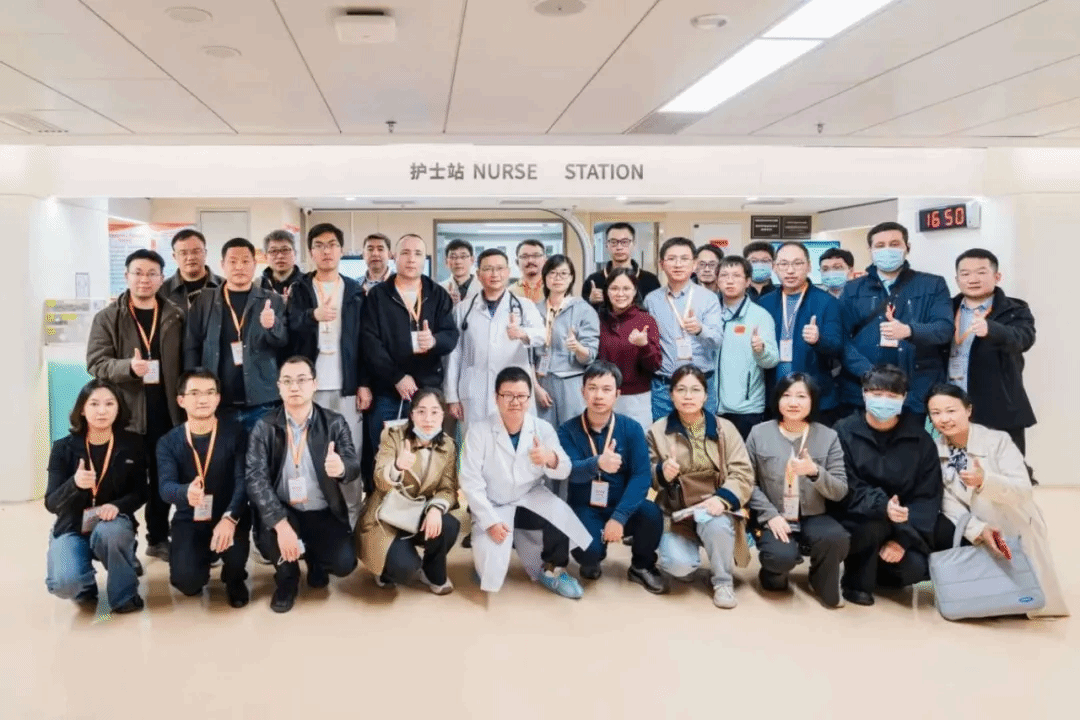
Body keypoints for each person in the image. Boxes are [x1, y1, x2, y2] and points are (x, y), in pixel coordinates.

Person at [926, 384, 1068, 617]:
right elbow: (948, 502)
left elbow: (1023, 490)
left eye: (951, 411)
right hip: (978, 527)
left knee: (1033, 594)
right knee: (993, 595)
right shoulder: (934, 451)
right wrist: (978, 529)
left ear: (968, 410)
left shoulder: (997, 441)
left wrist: (985, 481)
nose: (944, 419)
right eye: (936, 413)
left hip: (1013, 521)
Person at [458, 366, 592, 598]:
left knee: (560, 515)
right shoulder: (478, 431)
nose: (515, 402)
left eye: (521, 396)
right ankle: (493, 552)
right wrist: (490, 522)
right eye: (507, 395)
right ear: (496, 398)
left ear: (529, 399)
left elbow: (565, 468)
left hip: (529, 497)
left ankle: (554, 569)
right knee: (490, 570)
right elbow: (470, 482)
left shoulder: (542, 429)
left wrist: (550, 458)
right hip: (494, 503)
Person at [87, 248, 184, 563]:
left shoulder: (175, 315)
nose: (144, 279)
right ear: (126, 276)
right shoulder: (108, 317)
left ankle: (158, 538)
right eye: (138, 272)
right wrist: (128, 367)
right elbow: (95, 362)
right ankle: (124, 545)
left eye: (152, 273)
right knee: (124, 482)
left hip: (166, 413)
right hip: (126, 415)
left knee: (162, 479)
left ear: (161, 278)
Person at [246, 357, 362, 613]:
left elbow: (353, 464)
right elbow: (255, 479)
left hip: (322, 511)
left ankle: (315, 560)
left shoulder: (334, 422)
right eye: (287, 381)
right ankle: (287, 580)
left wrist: (341, 468)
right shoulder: (264, 427)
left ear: (314, 384)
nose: (294, 387)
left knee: (344, 563)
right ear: (279, 387)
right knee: (276, 541)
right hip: (283, 510)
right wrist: (280, 523)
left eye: (301, 380)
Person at [832, 365, 942, 606]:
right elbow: (845, 483)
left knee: (914, 570)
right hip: (858, 517)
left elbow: (927, 495)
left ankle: (877, 566)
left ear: (904, 398)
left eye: (892, 395)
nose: (884, 400)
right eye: (877, 393)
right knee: (873, 526)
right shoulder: (843, 431)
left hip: (903, 524)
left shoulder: (920, 440)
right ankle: (856, 583)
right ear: (864, 394)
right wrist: (882, 506)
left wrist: (902, 540)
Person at [646, 366, 755, 609]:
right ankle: (690, 558)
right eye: (681, 390)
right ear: (671, 394)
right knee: (679, 567)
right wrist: (662, 473)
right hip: (677, 511)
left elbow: (743, 473)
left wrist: (721, 500)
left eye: (695, 390)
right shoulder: (657, 431)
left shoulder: (725, 429)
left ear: (706, 396)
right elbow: (646, 476)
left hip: (713, 507)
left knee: (717, 525)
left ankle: (723, 581)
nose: (688, 396)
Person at [556, 362, 669, 593]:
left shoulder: (632, 429)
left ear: (617, 394)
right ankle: (593, 559)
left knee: (651, 514)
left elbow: (641, 477)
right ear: (583, 391)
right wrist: (597, 463)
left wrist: (619, 517)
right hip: (585, 506)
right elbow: (569, 471)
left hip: (621, 503)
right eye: (592, 388)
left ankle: (641, 566)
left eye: (606, 389)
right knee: (588, 552)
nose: (598, 395)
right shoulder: (567, 430)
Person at [361, 234, 458, 490]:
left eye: (417, 253)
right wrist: (396, 377)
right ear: (394, 257)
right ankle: (381, 511)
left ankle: (426, 510)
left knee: (427, 460)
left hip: (427, 393)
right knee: (385, 457)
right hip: (387, 391)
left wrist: (434, 341)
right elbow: (370, 343)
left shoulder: (437, 294)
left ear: (424, 258)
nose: (411, 259)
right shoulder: (378, 296)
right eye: (405, 253)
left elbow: (451, 336)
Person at [745, 374, 849, 608]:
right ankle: (772, 576)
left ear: (813, 401)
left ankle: (820, 579)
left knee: (836, 538)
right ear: (777, 400)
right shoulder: (759, 433)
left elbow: (840, 489)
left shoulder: (828, 436)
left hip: (814, 514)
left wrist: (815, 472)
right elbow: (746, 482)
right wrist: (770, 515)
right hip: (775, 515)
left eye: (801, 396)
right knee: (779, 558)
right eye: (787, 395)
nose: (793, 402)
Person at [45, 380, 146, 613]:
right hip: (71, 525)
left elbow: (141, 492)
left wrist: (117, 506)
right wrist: (74, 484)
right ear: (82, 409)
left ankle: (125, 595)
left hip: (112, 522)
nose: (102, 411)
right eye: (94, 404)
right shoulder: (63, 448)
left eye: (109, 404)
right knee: (64, 583)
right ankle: (84, 586)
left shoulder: (133, 444)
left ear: (118, 408)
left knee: (112, 533)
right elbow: (51, 503)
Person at [286, 223, 366, 513]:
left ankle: (353, 514)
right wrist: (312, 315)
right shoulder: (300, 288)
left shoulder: (355, 290)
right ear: (311, 252)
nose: (326, 251)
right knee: (310, 451)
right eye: (319, 246)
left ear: (341, 250)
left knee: (350, 451)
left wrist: (364, 383)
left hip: (347, 385)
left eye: (332, 245)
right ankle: (316, 514)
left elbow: (364, 340)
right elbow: (289, 327)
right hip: (310, 387)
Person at [839, 221, 952, 420]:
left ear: (907, 247)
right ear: (870, 250)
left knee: (914, 440)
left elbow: (944, 329)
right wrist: (868, 373)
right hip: (864, 392)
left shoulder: (933, 285)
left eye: (894, 244)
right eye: (880, 245)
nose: (887, 250)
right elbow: (841, 338)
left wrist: (910, 331)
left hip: (916, 392)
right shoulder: (852, 289)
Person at [157, 369, 250, 608]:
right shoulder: (168, 442)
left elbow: (243, 481)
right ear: (181, 400)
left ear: (218, 398)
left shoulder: (236, 433)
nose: (203, 399)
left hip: (229, 515)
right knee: (187, 584)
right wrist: (184, 493)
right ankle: (203, 557)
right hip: (190, 516)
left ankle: (234, 576)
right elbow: (165, 487)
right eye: (195, 393)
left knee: (235, 560)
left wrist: (230, 517)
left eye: (210, 393)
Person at [184, 237, 289, 432]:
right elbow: (192, 346)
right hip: (217, 401)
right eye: (233, 261)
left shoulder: (271, 300)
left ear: (255, 264)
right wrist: (193, 390)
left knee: (263, 451)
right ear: (222, 265)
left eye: (245, 261)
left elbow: (283, 342)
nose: (239, 267)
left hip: (262, 402)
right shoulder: (205, 301)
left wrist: (272, 326)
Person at [362, 388, 460, 594]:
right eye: (421, 411)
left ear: (443, 415)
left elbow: (448, 488)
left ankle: (431, 573)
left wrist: (435, 509)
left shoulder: (448, 445)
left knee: (449, 525)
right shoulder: (393, 435)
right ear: (412, 414)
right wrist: (397, 466)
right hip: (387, 515)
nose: (428, 419)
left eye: (435, 412)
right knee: (404, 569)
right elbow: (379, 480)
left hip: (418, 512)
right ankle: (385, 568)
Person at [948, 248, 1036, 458]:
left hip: (998, 406)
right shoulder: (946, 309)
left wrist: (992, 329)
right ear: (957, 279)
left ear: (997, 276)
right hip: (949, 406)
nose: (973, 279)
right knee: (949, 465)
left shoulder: (1015, 309)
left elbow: (1024, 339)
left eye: (981, 272)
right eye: (965, 274)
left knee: (1005, 467)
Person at [446, 248, 545, 427]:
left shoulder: (525, 306)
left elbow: (542, 335)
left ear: (508, 272)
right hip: (475, 393)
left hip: (513, 391)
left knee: (515, 440)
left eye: (500, 268)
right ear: (478, 274)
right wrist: (452, 396)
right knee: (475, 441)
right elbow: (454, 354)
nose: (494, 274)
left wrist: (523, 333)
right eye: (488, 269)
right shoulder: (463, 309)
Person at [758, 242, 844, 424]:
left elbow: (837, 347)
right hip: (775, 395)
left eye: (797, 263)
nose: (790, 270)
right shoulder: (764, 303)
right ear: (774, 267)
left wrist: (818, 340)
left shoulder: (826, 302)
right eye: (783, 264)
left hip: (815, 396)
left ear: (809, 266)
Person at [644, 237, 723, 420]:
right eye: (671, 259)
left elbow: (717, 340)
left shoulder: (708, 298)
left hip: (700, 384)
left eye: (684, 259)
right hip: (664, 386)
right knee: (663, 434)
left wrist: (700, 329)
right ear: (661, 264)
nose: (678, 264)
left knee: (702, 435)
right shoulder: (652, 300)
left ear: (694, 264)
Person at [714, 256, 779, 439]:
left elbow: (772, 360)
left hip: (746, 408)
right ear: (717, 280)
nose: (729, 281)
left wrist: (761, 350)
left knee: (744, 456)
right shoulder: (709, 312)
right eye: (724, 275)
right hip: (709, 405)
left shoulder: (760, 316)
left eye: (736, 276)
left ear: (748, 281)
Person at [533, 255, 599, 431]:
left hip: (572, 382)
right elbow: (527, 355)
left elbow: (590, 355)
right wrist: (535, 387)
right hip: (541, 381)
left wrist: (578, 348)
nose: (558, 278)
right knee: (542, 434)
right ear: (545, 277)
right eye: (553, 273)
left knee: (573, 433)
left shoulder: (584, 310)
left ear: (571, 278)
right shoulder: (534, 310)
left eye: (563, 273)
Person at [596, 268, 661, 431]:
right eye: (614, 288)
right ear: (607, 291)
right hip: (603, 395)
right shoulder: (598, 319)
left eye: (626, 288)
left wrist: (644, 345)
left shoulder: (646, 320)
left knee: (636, 443)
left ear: (635, 291)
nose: (620, 294)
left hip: (636, 398)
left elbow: (655, 365)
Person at [583, 222, 661, 309]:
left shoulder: (651, 280)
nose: (619, 247)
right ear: (606, 245)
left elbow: (656, 311)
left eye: (625, 242)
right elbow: (581, 313)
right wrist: (590, 301)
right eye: (613, 242)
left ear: (634, 244)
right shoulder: (594, 280)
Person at [163, 229, 223, 311]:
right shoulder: (162, 291)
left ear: (205, 253)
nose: (190, 257)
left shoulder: (224, 286)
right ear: (174, 256)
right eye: (183, 253)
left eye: (196, 252)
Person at [260, 229, 303, 299]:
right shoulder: (257, 287)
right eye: (273, 251)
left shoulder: (309, 284)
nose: (280, 256)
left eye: (285, 250)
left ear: (295, 254)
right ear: (265, 257)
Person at [442, 238, 480, 306]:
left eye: (463, 256)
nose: (458, 262)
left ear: (472, 260)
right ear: (446, 261)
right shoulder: (439, 290)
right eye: (453, 257)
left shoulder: (483, 288)